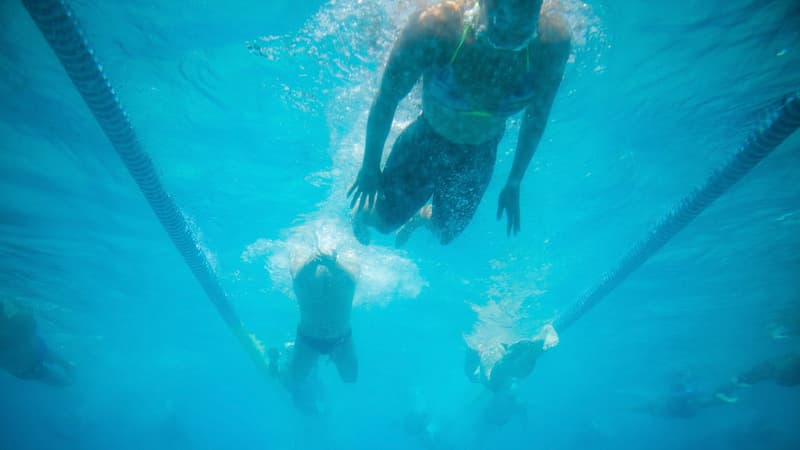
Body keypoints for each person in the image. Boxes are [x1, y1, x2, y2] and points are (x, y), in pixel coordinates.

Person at [348, 0, 571, 246]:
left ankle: (422, 218)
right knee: (384, 224)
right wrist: (369, 167)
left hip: (479, 154)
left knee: (446, 234)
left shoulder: (551, 42)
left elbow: (537, 117)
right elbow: (387, 99)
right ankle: (360, 215)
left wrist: (514, 180)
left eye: (520, 28)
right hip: (425, 142)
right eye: (500, 19)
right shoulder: (436, 27)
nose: (508, 37)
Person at [266, 252, 358, 413]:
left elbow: (352, 281)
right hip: (308, 338)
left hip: (341, 338)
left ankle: (296, 355)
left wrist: (333, 263)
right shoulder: (301, 258)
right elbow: (297, 278)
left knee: (350, 378)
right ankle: (277, 360)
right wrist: (311, 261)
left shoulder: (347, 261)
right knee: (295, 378)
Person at [464, 323, 558, 392]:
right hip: (498, 351)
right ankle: (540, 339)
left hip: (491, 360)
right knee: (517, 370)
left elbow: (474, 354)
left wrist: (479, 349)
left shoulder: (476, 375)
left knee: (503, 372)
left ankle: (535, 342)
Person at [0, 300, 74, 386]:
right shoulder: (15, 321)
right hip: (29, 363)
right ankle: (70, 379)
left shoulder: (15, 322)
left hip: (28, 364)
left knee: (59, 376)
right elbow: (30, 321)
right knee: (60, 377)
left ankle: (69, 377)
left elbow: (30, 322)